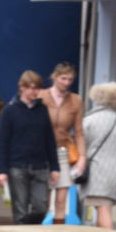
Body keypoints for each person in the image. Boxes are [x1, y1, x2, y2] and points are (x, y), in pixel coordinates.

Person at [0, 71, 60, 224]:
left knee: (41, 207)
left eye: (37, 88)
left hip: (40, 166)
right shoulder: (10, 111)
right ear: (22, 88)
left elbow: (49, 139)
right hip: (17, 166)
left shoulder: (42, 110)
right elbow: (3, 142)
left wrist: (55, 167)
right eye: (31, 88)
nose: (34, 92)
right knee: (20, 209)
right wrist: (1, 170)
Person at [80, 82, 116, 230]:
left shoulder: (88, 121)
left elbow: (81, 148)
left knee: (103, 211)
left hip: (98, 173)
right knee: (104, 209)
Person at [40, 62, 87, 221]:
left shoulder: (75, 100)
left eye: (70, 80)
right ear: (54, 77)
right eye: (63, 78)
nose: (66, 83)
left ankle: (57, 230)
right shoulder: (41, 96)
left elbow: (79, 132)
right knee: (42, 198)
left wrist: (82, 157)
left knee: (62, 197)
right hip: (42, 150)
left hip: (63, 150)